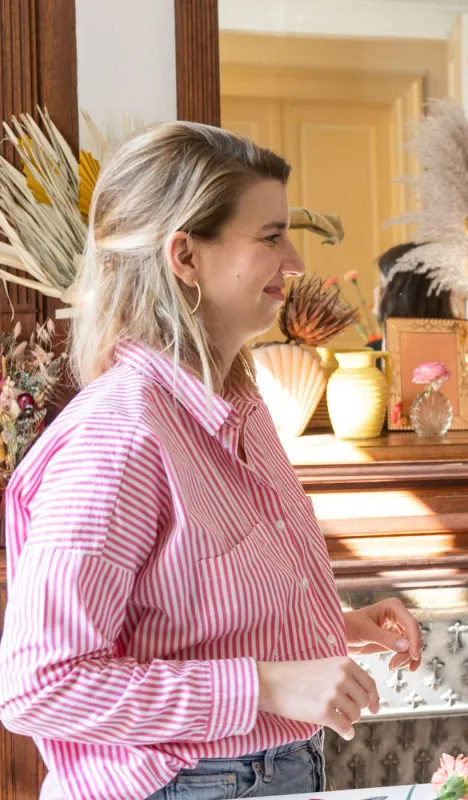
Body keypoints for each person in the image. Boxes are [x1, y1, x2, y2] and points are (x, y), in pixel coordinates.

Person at [0, 122, 423, 799]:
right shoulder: (119, 437)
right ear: (185, 257)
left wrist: (330, 630)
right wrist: (267, 684)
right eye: (270, 236)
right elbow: (41, 686)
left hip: (265, 771)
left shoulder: (243, 407)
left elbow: (191, 614)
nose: (296, 261)